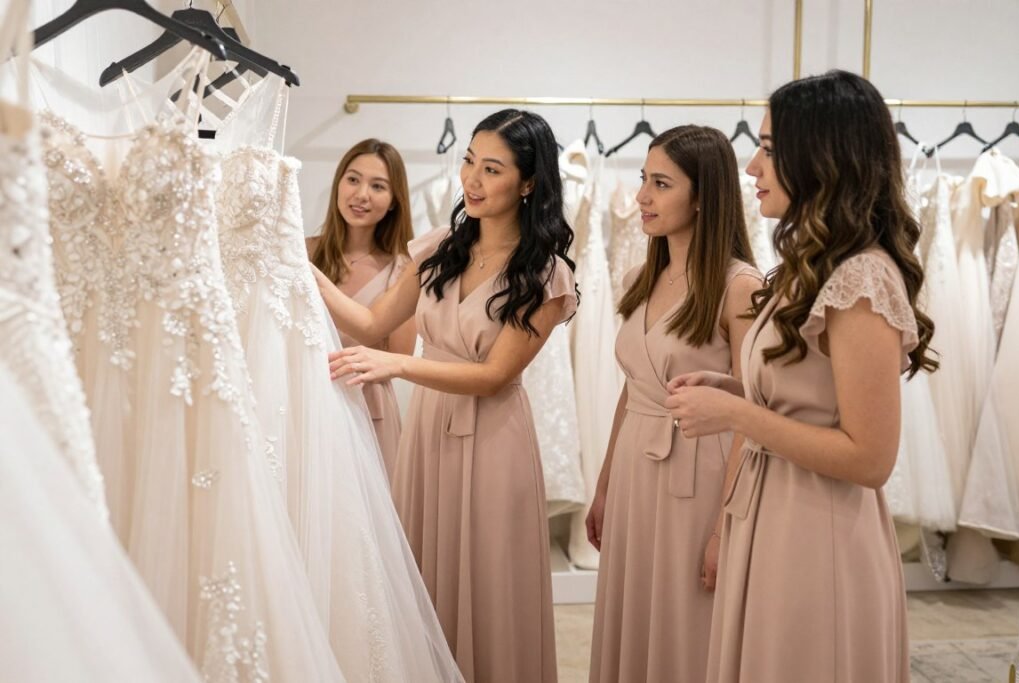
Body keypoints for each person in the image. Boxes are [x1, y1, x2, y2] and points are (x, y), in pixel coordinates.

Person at [668, 70, 936, 683]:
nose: (752, 167)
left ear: (819, 156)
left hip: (821, 531)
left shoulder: (860, 280)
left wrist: (739, 416)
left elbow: (870, 458)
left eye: (767, 148)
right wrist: (736, 391)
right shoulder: (807, 267)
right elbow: (812, 399)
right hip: (776, 514)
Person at [312, 109, 578, 683]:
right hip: (431, 431)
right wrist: (302, 271)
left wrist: (400, 363)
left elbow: (495, 376)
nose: (472, 182)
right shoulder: (437, 248)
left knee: (490, 582)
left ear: (528, 183)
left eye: (492, 169)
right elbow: (370, 320)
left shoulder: (545, 274)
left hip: (495, 437)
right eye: (468, 163)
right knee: (423, 576)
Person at [586, 125, 761, 683]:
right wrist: (606, 483)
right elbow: (633, 388)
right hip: (636, 467)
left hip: (698, 472)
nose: (642, 196)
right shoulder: (643, 276)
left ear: (704, 195)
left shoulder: (739, 286)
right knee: (634, 614)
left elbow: (753, 413)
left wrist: (723, 527)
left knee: (687, 625)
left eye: (660, 183)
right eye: (644, 180)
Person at [307, 139, 415, 479]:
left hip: (370, 409)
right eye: (353, 179)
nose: (362, 194)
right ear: (339, 182)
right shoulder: (303, 252)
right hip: (306, 400)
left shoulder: (404, 270)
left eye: (378, 186)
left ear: (395, 200)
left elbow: (399, 356)